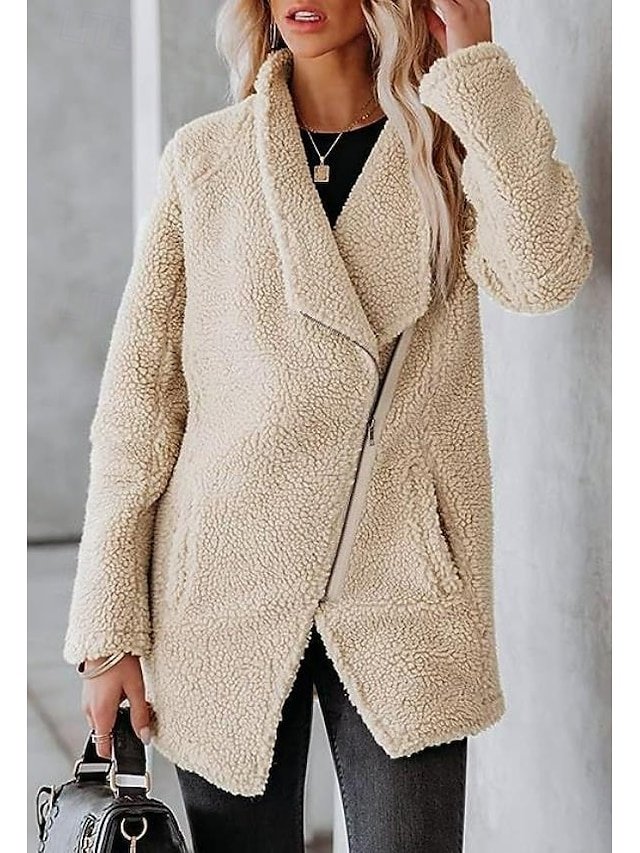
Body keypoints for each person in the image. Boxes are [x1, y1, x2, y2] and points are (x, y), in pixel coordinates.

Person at [62, 1, 593, 850]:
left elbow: (544, 273)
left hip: (401, 577)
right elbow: (138, 408)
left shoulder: (449, 148)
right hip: (223, 584)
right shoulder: (207, 160)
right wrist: (107, 632)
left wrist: (475, 67)